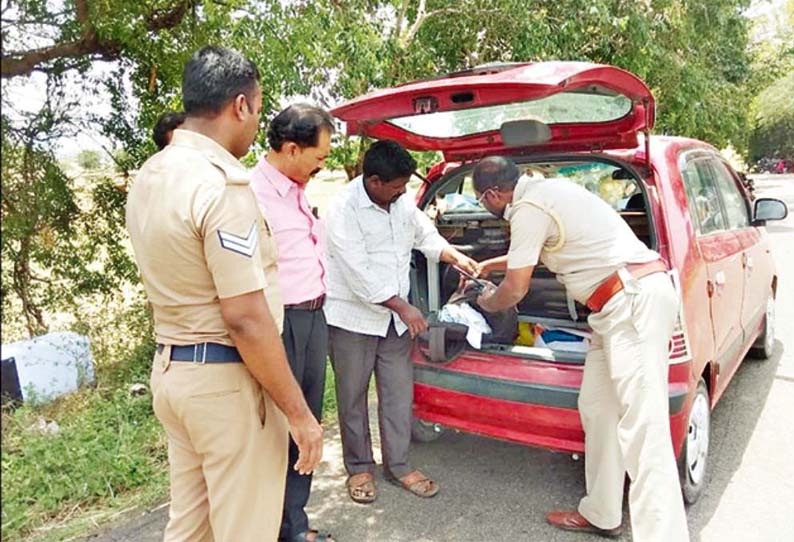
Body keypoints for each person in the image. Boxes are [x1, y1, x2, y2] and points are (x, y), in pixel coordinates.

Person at [125, 46, 323, 542]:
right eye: (257, 110)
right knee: (243, 529)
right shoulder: (223, 187)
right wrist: (300, 416)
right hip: (225, 385)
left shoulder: (151, 174)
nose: (256, 123)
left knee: (191, 526)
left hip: (173, 372)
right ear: (240, 105)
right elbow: (246, 318)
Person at [471, 156, 689, 541]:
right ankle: (603, 513)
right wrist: (492, 264)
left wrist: (485, 302)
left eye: (479, 199)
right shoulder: (543, 192)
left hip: (631, 302)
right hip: (616, 305)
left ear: (491, 193)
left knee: (643, 428)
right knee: (598, 407)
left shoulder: (527, 208)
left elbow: (516, 288)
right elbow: (533, 250)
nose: (482, 206)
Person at [324, 140, 478, 504]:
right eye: (396, 187)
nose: (402, 193)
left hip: (393, 323)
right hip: (353, 319)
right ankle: (360, 467)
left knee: (397, 394)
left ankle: (398, 464)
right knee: (352, 397)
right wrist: (404, 308)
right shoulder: (344, 210)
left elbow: (423, 234)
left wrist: (452, 255)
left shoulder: (400, 201)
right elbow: (357, 272)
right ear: (374, 181)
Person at [250, 104, 334, 542]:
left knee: (308, 427)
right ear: (290, 148)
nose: (324, 166)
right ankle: (271, 527)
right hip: (280, 325)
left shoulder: (296, 185)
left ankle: (293, 526)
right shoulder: (250, 194)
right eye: (319, 157)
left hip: (314, 316)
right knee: (275, 431)